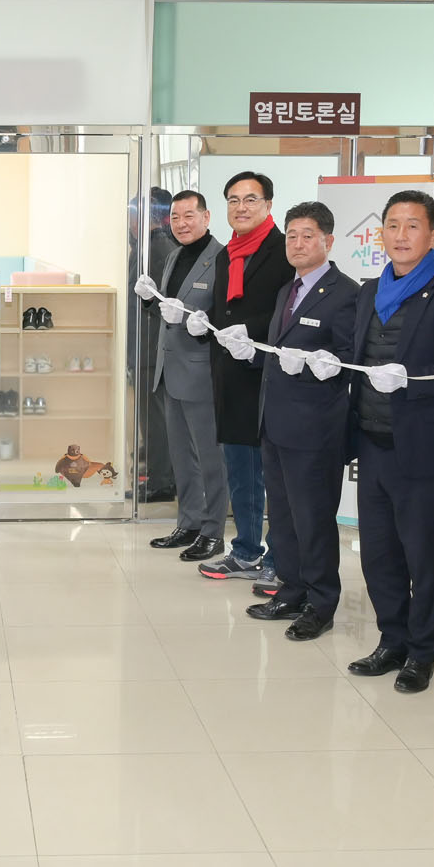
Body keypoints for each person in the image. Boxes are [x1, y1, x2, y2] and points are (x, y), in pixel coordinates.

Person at [342, 190, 434, 694]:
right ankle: (391, 640)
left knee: (421, 556)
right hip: (372, 442)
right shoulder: (368, 292)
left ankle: (422, 652)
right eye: (393, 225)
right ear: (381, 233)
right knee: (378, 553)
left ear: (433, 234)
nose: (401, 235)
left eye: (412, 225)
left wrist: (411, 379)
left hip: (423, 449)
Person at [237, 202, 360, 641]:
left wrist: (315, 365)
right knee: (284, 517)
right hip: (275, 423)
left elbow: (348, 360)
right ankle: (291, 590)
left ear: (328, 241)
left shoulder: (345, 293)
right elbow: (279, 353)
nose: (297, 244)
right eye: (291, 236)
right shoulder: (287, 291)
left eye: (308, 236)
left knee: (313, 520)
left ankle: (321, 603)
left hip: (315, 429)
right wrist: (251, 352)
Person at [186, 172, 290, 588]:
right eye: (233, 200)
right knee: (241, 473)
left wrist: (253, 331)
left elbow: (288, 312)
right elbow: (226, 311)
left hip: (268, 377)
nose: (241, 207)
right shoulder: (228, 253)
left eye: (250, 199)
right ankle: (246, 550)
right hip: (230, 377)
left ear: (268, 205)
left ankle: (280, 558)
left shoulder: (283, 250)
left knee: (273, 477)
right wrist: (202, 322)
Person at [141, 191, 227, 555]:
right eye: (175, 217)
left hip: (201, 373)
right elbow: (166, 312)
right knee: (181, 456)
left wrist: (199, 323)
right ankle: (189, 522)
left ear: (206, 217)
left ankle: (213, 531)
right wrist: (150, 299)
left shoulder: (222, 258)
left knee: (210, 458)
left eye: (189, 216)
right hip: (170, 370)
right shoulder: (175, 255)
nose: (181, 224)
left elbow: (225, 319)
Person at [140, 186, 178, 503]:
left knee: (156, 419)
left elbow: (165, 305)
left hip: (153, 350)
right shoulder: (144, 248)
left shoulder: (159, 249)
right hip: (144, 349)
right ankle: (159, 476)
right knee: (151, 418)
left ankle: (162, 482)